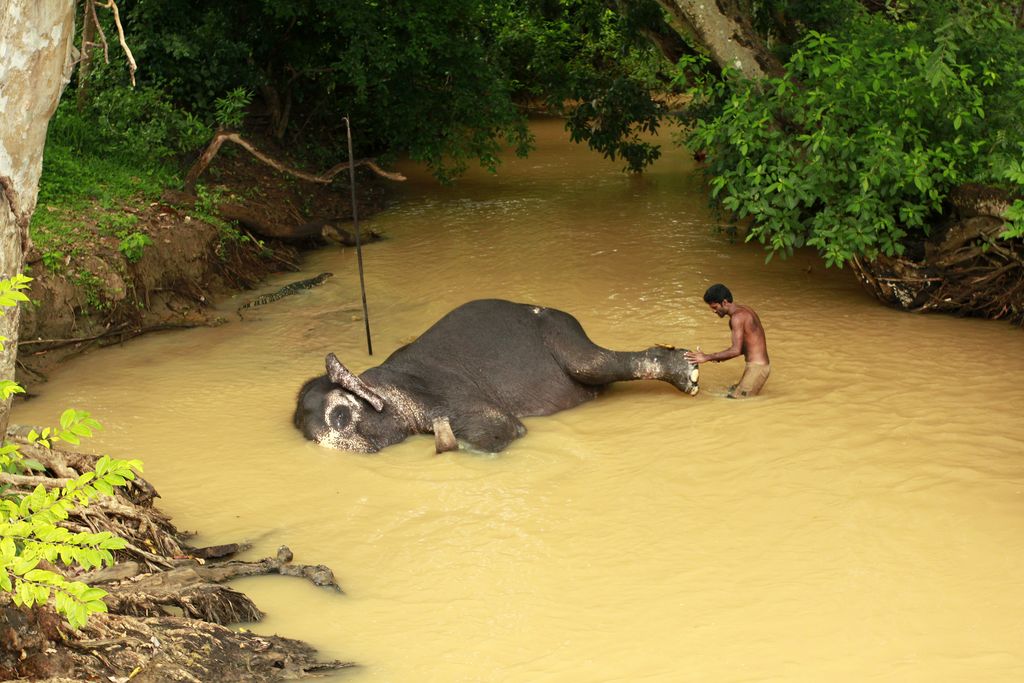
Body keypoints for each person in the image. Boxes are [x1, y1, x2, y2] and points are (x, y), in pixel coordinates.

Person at [684, 284, 770, 398]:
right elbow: (742, 349)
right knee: (731, 392)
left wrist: (706, 357)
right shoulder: (746, 310)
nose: (714, 311)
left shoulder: (737, 318)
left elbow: (735, 350)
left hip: (757, 368)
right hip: (758, 367)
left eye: (715, 307)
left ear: (724, 302)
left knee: (735, 403)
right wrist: (717, 358)